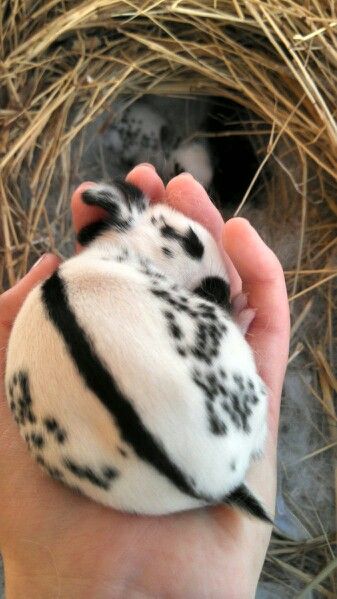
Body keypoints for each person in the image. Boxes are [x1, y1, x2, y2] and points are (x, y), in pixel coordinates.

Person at [0, 164, 289, 598]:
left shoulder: (66, 295)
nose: (222, 311)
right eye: (209, 299)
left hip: (124, 473)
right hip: (210, 455)